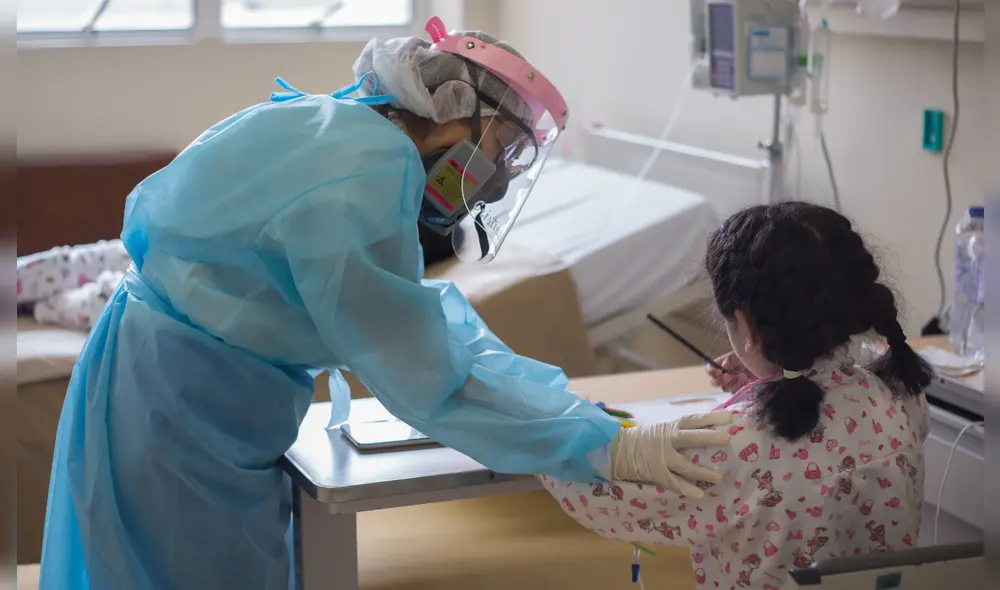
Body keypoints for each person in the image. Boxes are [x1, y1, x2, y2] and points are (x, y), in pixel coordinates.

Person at [38, 18, 732, 590]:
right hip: (180, 413)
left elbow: (421, 324)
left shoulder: (340, 126)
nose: (499, 177)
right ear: (461, 109)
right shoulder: (367, 171)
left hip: (163, 385)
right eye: (508, 149)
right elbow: (427, 372)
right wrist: (602, 445)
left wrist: (571, 415)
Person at [542, 202, 934, 590]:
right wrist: (770, 374)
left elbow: (598, 495)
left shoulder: (734, 446)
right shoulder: (900, 397)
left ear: (745, 325)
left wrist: (536, 426)